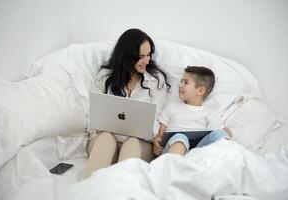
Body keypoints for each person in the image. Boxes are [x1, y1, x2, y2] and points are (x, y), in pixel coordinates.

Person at [85, 28, 171, 177]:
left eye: (149, 54)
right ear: (126, 57)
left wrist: (150, 137)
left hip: (140, 143)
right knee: (106, 139)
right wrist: (111, 136)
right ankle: (89, 192)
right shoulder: (104, 77)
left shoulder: (155, 81)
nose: (147, 60)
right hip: (104, 139)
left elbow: (159, 118)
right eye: (141, 56)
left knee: (132, 144)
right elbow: (92, 116)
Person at [153, 66, 231, 156]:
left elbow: (215, 133)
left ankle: (229, 159)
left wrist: (226, 133)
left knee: (219, 133)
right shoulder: (172, 108)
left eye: (185, 82)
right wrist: (157, 141)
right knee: (180, 137)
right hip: (173, 149)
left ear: (200, 90)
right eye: (181, 81)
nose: (180, 85)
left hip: (197, 153)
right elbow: (161, 135)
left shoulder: (210, 113)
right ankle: (174, 166)